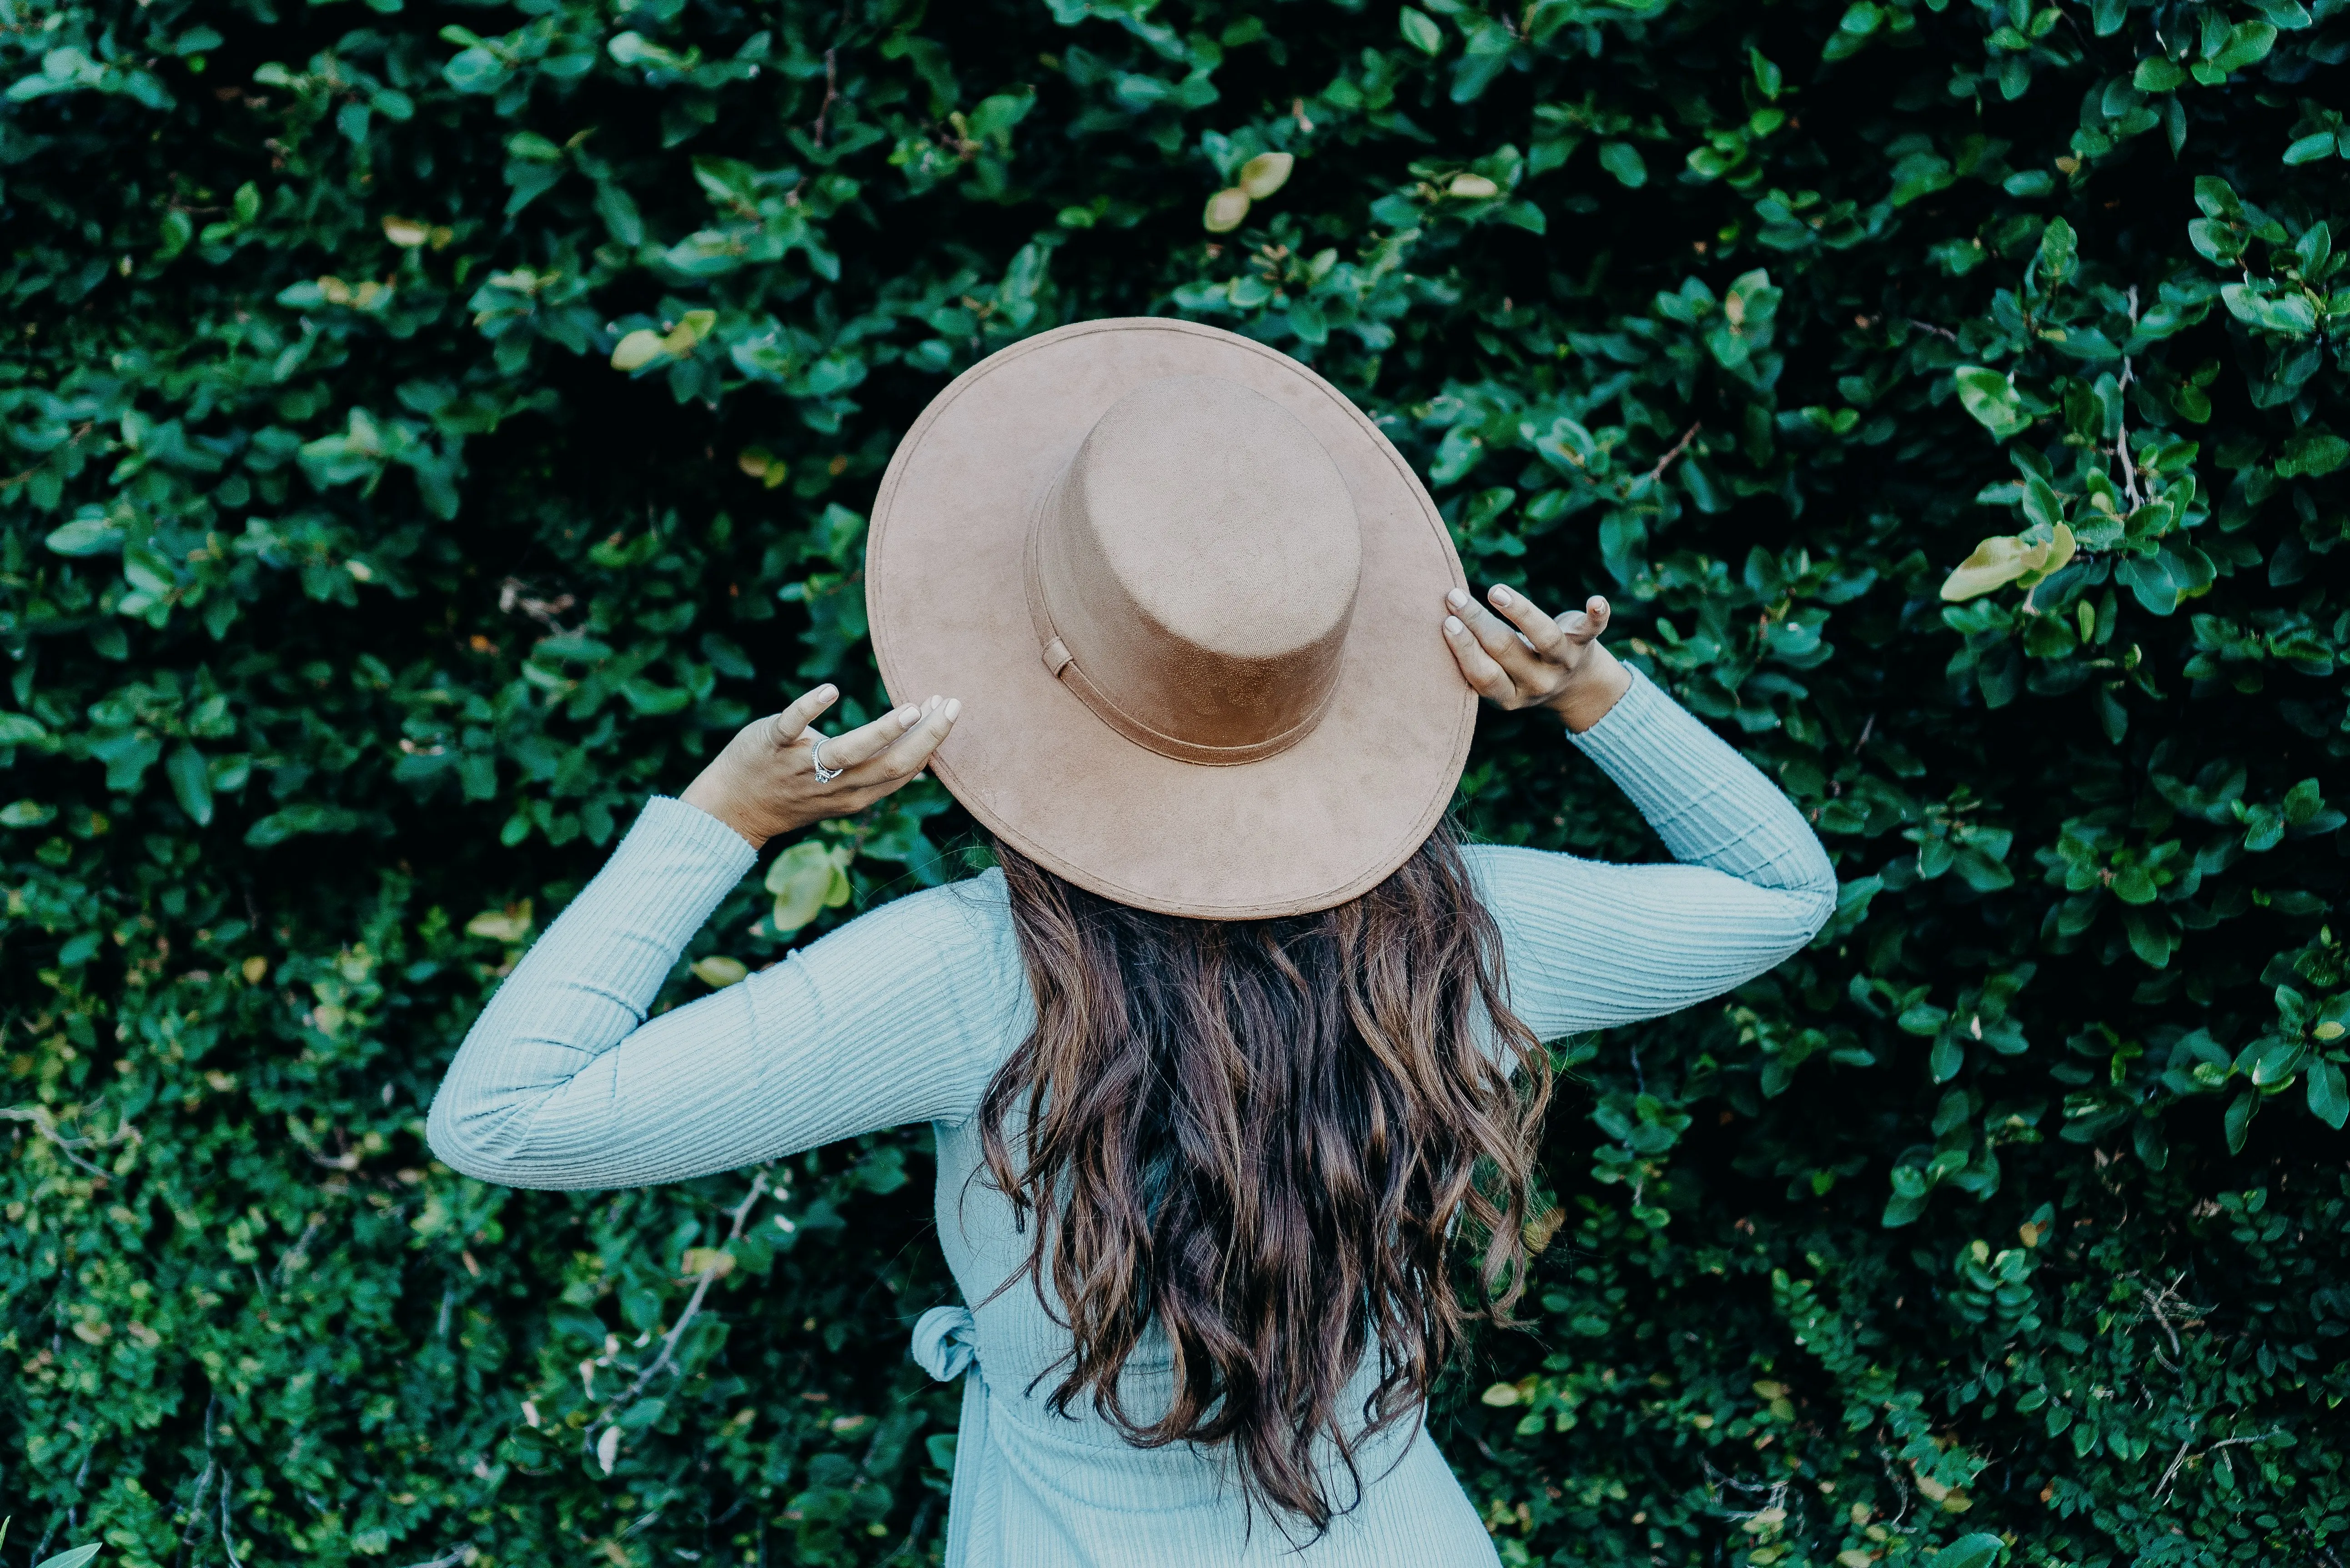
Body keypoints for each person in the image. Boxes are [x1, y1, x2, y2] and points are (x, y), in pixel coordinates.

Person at [428, 319, 1835, 1565]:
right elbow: (1783, 892)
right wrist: (1596, 697)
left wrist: (721, 821)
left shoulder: (968, 977)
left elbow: (506, 1117)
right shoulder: (1461, 942)